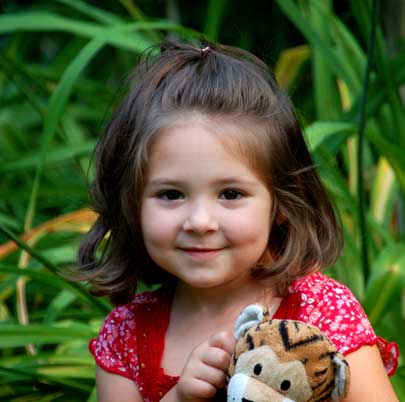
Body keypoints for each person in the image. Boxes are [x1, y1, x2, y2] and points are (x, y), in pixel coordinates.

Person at [76, 40, 399, 402]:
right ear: (132, 203)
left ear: (280, 203)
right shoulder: (127, 335)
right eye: (170, 194)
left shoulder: (321, 309)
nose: (200, 221)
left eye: (230, 194)